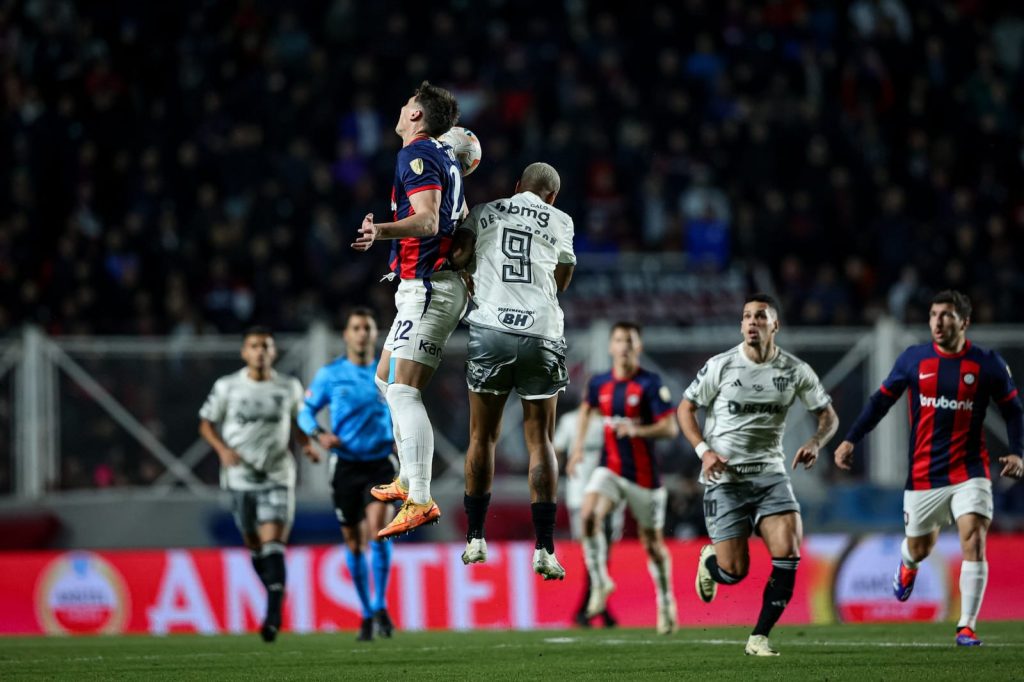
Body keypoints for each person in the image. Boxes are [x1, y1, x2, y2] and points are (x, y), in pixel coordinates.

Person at [834, 289, 1023, 647]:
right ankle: (908, 563)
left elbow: (1014, 411)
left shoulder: (988, 364)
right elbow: (879, 403)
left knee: (974, 538)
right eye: (934, 314)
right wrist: (849, 440)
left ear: (964, 322)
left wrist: (1018, 452)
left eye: (947, 315)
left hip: (970, 471)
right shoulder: (913, 360)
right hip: (924, 476)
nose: (938, 321)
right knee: (921, 547)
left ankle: (966, 625)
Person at [678, 294, 838, 656]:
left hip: (771, 476)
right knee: (735, 572)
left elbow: (829, 416)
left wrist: (815, 441)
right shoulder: (721, 365)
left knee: (789, 551)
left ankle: (759, 638)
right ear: (741, 325)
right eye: (747, 317)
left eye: (761, 316)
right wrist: (703, 451)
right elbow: (685, 409)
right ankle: (711, 562)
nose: (752, 322)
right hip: (725, 480)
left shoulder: (794, 370)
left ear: (774, 325)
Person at [350, 81, 468, 538]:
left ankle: (420, 496)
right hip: (422, 286)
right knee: (384, 378)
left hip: (429, 287)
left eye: (407, 104)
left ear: (417, 116)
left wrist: (379, 231)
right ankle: (408, 476)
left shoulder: (415, 155)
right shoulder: (444, 157)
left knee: (403, 392)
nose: (400, 108)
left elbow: (428, 219)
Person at [449, 162, 575, 581]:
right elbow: (563, 277)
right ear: (551, 196)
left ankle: (476, 537)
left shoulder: (485, 210)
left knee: (481, 437)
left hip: (491, 330)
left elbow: (460, 255)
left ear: (517, 186)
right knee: (541, 441)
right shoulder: (561, 220)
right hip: (541, 331)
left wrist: (473, 270)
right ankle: (544, 548)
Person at [198, 327, 317, 643]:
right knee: (254, 545)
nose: (260, 351)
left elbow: (298, 421)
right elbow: (206, 423)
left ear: (273, 352)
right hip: (239, 479)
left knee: (273, 544)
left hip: (277, 476)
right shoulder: (227, 387)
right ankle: (274, 590)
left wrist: (305, 444)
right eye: (254, 346)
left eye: (266, 346)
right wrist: (223, 450)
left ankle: (273, 612)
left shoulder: (288, 386)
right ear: (244, 353)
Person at [568, 322, 680, 634]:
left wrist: (637, 430)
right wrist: (577, 451)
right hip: (611, 469)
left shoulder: (649, 384)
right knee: (589, 514)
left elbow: (670, 428)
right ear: (610, 347)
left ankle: (666, 601)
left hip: (644, 478)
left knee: (653, 545)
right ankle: (601, 581)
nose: (624, 346)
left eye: (630, 341)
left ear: (638, 347)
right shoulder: (599, 383)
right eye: (619, 340)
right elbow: (586, 410)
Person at [297, 308, 397, 642]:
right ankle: (367, 613)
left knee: (379, 529)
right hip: (345, 466)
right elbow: (305, 412)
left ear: (374, 333)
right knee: (354, 543)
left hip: (381, 462)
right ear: (346, 334)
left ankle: (381, 605)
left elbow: (410, 403)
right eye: (356, 327)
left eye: (367, 327)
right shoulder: (330, 374)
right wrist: (318, 435)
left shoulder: (389, 370)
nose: (362, 333)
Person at [553, 405, 624, 627]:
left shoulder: (614, 421)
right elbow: (556, 450)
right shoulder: (569, 421)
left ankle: (591, 608)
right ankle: (596, 608)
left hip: (609, 495)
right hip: (580, 496)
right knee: (593, 552)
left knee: (602, 553)